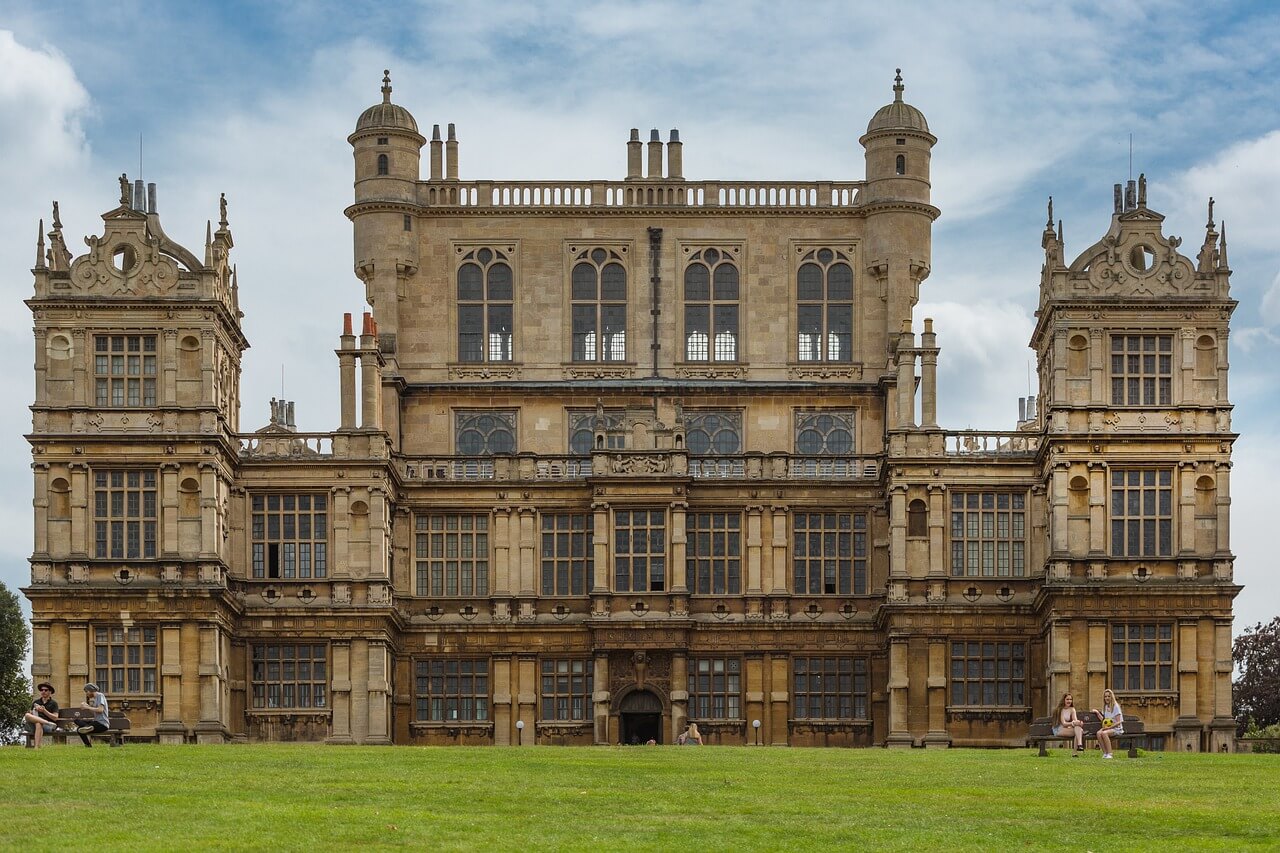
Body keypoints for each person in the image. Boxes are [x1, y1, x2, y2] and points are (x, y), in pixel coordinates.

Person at [22, 682, 60, 748]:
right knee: (27, 715)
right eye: (42, 690)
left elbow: (55, 718)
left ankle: (36, 747)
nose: (43, 691)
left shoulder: (54, 703)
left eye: (45, 690)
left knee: (38, 723)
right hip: (34, 725)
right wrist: (35, 710)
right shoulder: (36, 702)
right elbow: (31, 715)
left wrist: (44, 711)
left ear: (50, 692)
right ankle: (37, 747)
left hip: (48, 726)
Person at [1091, 688, 1124, 759]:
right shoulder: (1105, 707)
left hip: (1116, 728)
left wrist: (1109, 728)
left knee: (1104, 733)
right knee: (1098, 733)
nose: (1107, 698)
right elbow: (1104, 720)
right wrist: (1097, 713)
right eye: (1105, 696)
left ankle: (1110, 753)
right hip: (1107, 728)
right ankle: (1105, 753)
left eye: (1108, 696)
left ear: (1111, 697)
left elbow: (1119, 721)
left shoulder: (1115, 706)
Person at [76, 683, 110, 747]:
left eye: (87, 691)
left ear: (91, 690)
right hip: (96, 722)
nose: (86, 694)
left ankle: (88, 727)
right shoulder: (95, 700)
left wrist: (87, 707)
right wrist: (87, 706)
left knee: (83, 727)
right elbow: (94, 713)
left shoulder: (100, 695)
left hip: (102, 724)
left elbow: (100, 710)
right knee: (79, 727)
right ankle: (88, 745)